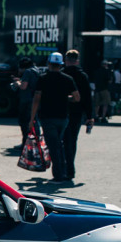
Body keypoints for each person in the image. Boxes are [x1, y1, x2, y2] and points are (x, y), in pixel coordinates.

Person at [28, 52, 79, 183]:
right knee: (59, 144)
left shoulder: (43, 79)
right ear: (61, 65)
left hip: (47, 117)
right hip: (63, 117)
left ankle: (58, 175)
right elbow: (77, 98)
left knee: (54, 146)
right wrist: (65, 98)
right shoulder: (68, 79)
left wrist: (32, 118)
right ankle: (65, 171)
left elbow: (36, 99)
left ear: (49, 64)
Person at [61, 49, 93, 181]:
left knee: (62, 141)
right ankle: (70, 167)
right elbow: (87, 97)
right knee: (72, 140)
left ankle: (61, 168)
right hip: (77, 112)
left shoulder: (61, 74)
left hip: (62, 111)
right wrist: (90, 116)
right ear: (77, 61)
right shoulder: (82, 76)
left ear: (66, 60)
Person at [13, 57, 40, 148]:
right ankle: (36, 142)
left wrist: (18, 83)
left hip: (26, 101)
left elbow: (24, 86)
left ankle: (26, 144)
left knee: (24, 123)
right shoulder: (37, 71)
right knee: (34, 122)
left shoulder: (28, 72)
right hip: (35, 100)